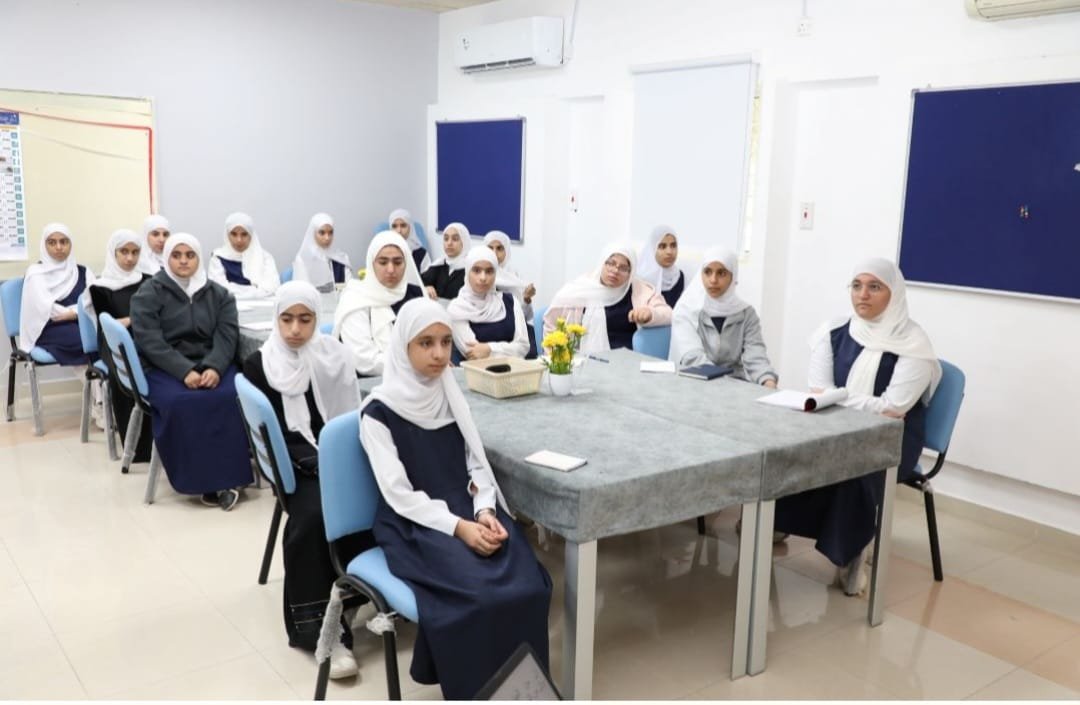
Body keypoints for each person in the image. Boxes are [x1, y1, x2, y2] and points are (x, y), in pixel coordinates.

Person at [359, 298, 552, 700]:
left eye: (446, 342)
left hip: (468, 508)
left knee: (529, 585)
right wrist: (459, 528)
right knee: (479, 597)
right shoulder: (377, 413)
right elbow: (398, 494)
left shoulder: (449, 392)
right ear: (403, 347)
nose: (439, 354)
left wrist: (485, 509)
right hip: (415, 520)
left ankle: (524, 692)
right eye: (426, 343)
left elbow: (475, 462)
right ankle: (477, 692)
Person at [773, 258, 941, 595]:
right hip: (833, 426)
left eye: (874, 287)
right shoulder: (833, 331)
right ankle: (779, 520)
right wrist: (856, 401)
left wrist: (838, 397)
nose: (863, 295)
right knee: (789, 452)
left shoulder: (914, 344)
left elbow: (894, 408)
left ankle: (851, 552)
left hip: (892, 439)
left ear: (895, 293)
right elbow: (820, 391)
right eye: (856, 286)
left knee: (855, 473)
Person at [242, 281, 368, 679]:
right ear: (276, 318)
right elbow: (274, 437)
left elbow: (350, 414)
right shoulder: (260, 365)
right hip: (295, 462)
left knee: (381, 493)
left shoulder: (333, 356)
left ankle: (358, 591)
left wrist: (339, 454)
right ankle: (320, 629)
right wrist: (316, 460)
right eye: (287, 319)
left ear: (317, 320)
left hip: (333, 448)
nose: (295, 329)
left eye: (305, 319)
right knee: (317, 515)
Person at [130, 233, 253, 510]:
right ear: (167, 258)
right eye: (176, 255)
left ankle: (230, 479)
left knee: (230, 396)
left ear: (199, 258)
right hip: (164, 366)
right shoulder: (148, 293)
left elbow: (227, 336)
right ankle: (203, 483)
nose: (183, 261)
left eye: (190, 255)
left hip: (212, 362)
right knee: (183, 402)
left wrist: (215, 367)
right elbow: (149, 340)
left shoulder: (219, 294)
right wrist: (183, 370)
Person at [87, 229, 153, 462]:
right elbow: (109, 324)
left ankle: (162, 438)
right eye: (124, 252)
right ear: (113, 253)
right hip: (114, 342)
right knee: (127, 370)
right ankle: (138, 448)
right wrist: (137, 318)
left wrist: (135, 320)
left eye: (135, 252)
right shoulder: (99, 287)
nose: (130, 258)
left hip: (146, 335)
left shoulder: (148, 280)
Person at [668, 246, 777, 387]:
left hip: (735, 385)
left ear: (733, 276)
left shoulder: (746, 314)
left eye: (721, 273)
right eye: (707, 272)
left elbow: (756, 357)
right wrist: (725, 386)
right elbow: (693, 358)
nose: (713, 280)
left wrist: (768, 381)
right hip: (696, 383)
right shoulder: (686, 311)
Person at [544, 243, 672, 352]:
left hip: (627, 362)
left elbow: (669, 314)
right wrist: (557, 359)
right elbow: (551, 326)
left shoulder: (640, 290)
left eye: (623, 268)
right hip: (583, 361)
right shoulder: (581, 289)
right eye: (611, 263)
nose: (615, 271)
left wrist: (650, 314)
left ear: (631, 273)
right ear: (602, 263)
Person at [334, 231, 424, 377]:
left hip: (416, 377)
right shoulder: (355, 299)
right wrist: (415, 364)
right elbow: (364, 360)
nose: (391, 270)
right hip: (368, 383)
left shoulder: (416, 295)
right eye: (383, 262)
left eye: (398, 262)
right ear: (371, 263)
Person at [20, 223, 95, 365]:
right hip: (47, 326)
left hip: (81, 322)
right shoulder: (35, 274)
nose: (59, 247)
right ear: (44, 245)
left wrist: (75, 314)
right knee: (83, 339)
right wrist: (78, 311)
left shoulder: (83, 272)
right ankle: (93, 378)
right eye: (52, 242)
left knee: (102, 336)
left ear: (71, 244)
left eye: (64, 242)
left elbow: (93, 301)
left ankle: (98, 378)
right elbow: (46, 309)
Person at [447, 248, 529, 360]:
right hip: (474, 370)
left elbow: (523, 347)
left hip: (513, 369)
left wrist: (490, 349)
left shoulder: (511, 301)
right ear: (467, 272)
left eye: (489, 271)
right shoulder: (457, 309)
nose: (483, 278)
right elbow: (473, 353)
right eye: (476, 270)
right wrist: (509, 350)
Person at [483, 229, 537, 357]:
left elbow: (526, 316)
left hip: (514, 327)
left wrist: (526, 299)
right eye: (490, 248)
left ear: (506, 251)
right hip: (488, 328)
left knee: (530, 349)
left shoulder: (514, 276)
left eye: (499, 248)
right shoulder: (479, 274)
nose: (494, 253)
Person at [207, 212, 281, 299]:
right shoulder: (218, 257)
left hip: (261, 304)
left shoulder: (265, 258)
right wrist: (254, 289)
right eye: (234, 234)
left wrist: (235, 289)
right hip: (228, 304)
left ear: (251, 235)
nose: (239, 240)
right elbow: (218, 289)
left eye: (244, 234)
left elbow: (272, 287)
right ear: (227, 235)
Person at [292, 213, 351, 292]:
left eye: (330, 233)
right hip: (312, 299)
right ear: (313, 233)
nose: (327, 238)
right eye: (322, 233)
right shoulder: (303, 259)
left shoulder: (340, 259)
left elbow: (345, 289)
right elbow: (302, 291)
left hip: (338, 299)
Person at [637, 225, 686, 307]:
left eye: (673, 245)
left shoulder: (680, 276)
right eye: (662, 246)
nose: (669, 252)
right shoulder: (642, 280)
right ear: (653, 249)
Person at [421, 221, 470, 300]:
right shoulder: (439, 264)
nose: (449, 243)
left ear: (464, 242)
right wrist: (426, 287)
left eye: (455, 239)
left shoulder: (471, 269)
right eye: (446, 239)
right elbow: (420, 281)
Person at [388, 208, 430, 273]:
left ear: (410, 227)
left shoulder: (421, 253)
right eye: (394, 226)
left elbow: (428, 276)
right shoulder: (384, 251)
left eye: (403, 226)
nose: (399, 230)